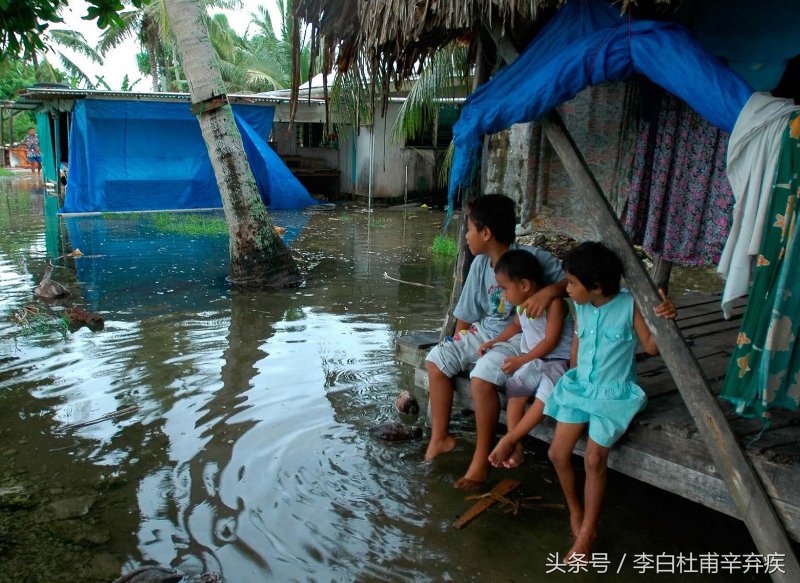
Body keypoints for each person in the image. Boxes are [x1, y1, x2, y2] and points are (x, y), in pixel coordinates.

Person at [543, 242, 676, 561]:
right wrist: (573, 373)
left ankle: (588, 530)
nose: (568, 288)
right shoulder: (582, 305)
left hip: (613, 393)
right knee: (557, 453)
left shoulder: (630, 306)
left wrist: (666, 316)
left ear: (597, 286)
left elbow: (652, 346)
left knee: (593, 459)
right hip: (581, 389)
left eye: (572, 283)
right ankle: (576, 511)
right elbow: (578, 342)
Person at [424, 194, 567, 489]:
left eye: (469, 229)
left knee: (481, 377)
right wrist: (456, 347)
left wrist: (549, 292)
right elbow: (465, 314)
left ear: (486, 233)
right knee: (436, 360)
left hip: (518, 338)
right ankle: (440, 438)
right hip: (486, 332)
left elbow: (574, 279)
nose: (466, 235)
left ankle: (481, 460)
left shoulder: (531, 259)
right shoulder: (479, 264)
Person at [478, 249, 573, 470]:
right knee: (515, 392)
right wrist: (495, 342)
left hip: (558, 361)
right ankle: (517, 444)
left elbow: (550, 342)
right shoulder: (521, 307)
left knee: (544, 396)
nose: (503, 295)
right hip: (534, 361)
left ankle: (510, 439)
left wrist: (521, 360)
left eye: (505, 288)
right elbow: (514, 327)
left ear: (524, 285)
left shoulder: (555, 305)